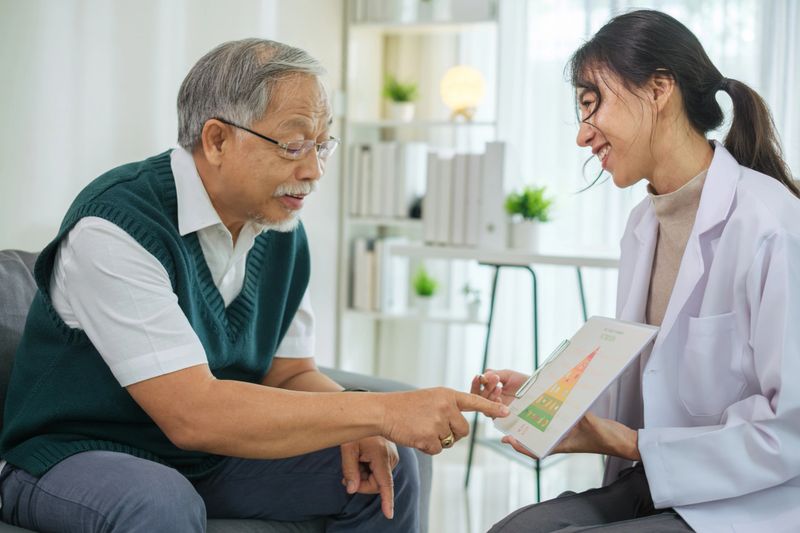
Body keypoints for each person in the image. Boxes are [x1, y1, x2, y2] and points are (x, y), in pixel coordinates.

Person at [0, 38, 509, 532]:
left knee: (385, 466)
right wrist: (379, 410)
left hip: (204, 457)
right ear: (217, 140)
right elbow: (192, 414)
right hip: (71, 456)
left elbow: (290, 374)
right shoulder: (115, 227)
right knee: (158, 498)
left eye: (323, 144)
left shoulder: (279, 228)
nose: (313, 170)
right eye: (293, 145)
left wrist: (365, 426)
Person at [473, 10, 800, 533]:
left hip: (753, 499)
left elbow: (791, 434)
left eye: (591, 103)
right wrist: (544, 397)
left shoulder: (771, 224)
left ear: (658, 89)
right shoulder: (643, 224)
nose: (582, 136)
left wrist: (628, 443)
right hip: (660, 481)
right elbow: (652, 381)